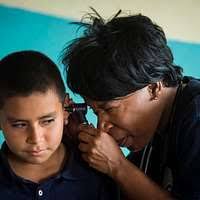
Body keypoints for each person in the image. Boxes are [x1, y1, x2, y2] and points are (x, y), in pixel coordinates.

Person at [61, 9, 200, 200]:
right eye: (96, 112)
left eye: (109, 109)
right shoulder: (151, 131)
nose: (103, 127)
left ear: (153, 88)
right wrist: (79, 143)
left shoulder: (196, 117)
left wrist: (118, 166)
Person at [0, 50, 119, 200]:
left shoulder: (98, 173)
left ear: (65, 111)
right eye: (19, 125)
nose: (36, 139)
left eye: (48, 121)